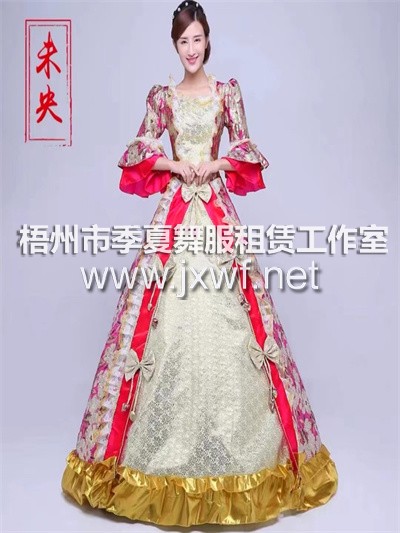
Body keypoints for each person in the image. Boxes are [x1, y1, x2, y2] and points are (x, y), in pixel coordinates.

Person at [61, 0, 338, 526]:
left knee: (234, 326)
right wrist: (173, 163)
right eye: (182, 41)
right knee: (161, 327)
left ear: (208, 40)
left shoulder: (227, 92)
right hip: (175, 211)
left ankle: (239, 456)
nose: (191, 49)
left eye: (197, 39)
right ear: (175, 45)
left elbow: (246, 150)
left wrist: (214, 164)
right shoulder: (162, 97)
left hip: (214, 211)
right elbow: (137, 150)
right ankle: (153, 461)